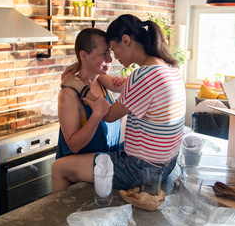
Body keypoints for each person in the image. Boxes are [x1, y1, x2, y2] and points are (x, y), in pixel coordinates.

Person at [52, 14, 186, 193]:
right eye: (105, 53)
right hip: (167, 164)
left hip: (141, 169)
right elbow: (120, 86)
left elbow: (106, 114)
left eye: (113, 50)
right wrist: (81, 65)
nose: (113, 58)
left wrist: (78, 84)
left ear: (126, 41)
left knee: (58, 167)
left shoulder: (143, 76)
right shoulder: (170, 69)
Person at [56, 28, 125, 159]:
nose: (110, 59)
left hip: (106, 170)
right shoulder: (69, 94)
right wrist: (96, 116)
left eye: (109, 52)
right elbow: (74, 146)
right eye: (104, 54)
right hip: (80, 177)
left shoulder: (103, 81)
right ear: (83, 56)